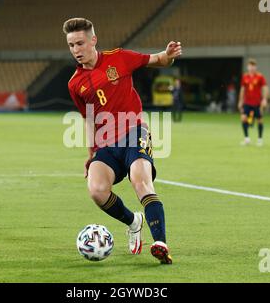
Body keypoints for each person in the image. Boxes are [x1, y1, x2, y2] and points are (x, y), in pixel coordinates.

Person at [63, 18, 182, 264]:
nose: (76, 50)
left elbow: (158, 59)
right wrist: (91, 153)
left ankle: (160, 243)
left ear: (93, 40)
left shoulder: (119, 58)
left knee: (141, 182)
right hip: (105, 143)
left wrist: (169, 55)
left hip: (134, 131)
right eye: (71, 45)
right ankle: (133, 222)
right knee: (96, 190)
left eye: (80, 43)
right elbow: (88, 119)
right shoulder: (75, 84)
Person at [238, 58, 269, 146]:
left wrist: (264, 99)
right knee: (243, 118)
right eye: (250, 66)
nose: (251, 68)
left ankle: (260, 139)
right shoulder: (245, 77)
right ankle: (247, 139)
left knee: (260, 120)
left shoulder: (260, 76)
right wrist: (240, 101)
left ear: (256, 67)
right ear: (247, 67)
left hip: (257, 103)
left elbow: (265, 88)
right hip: (247, 102)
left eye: (253, 66)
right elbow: (242, 89)